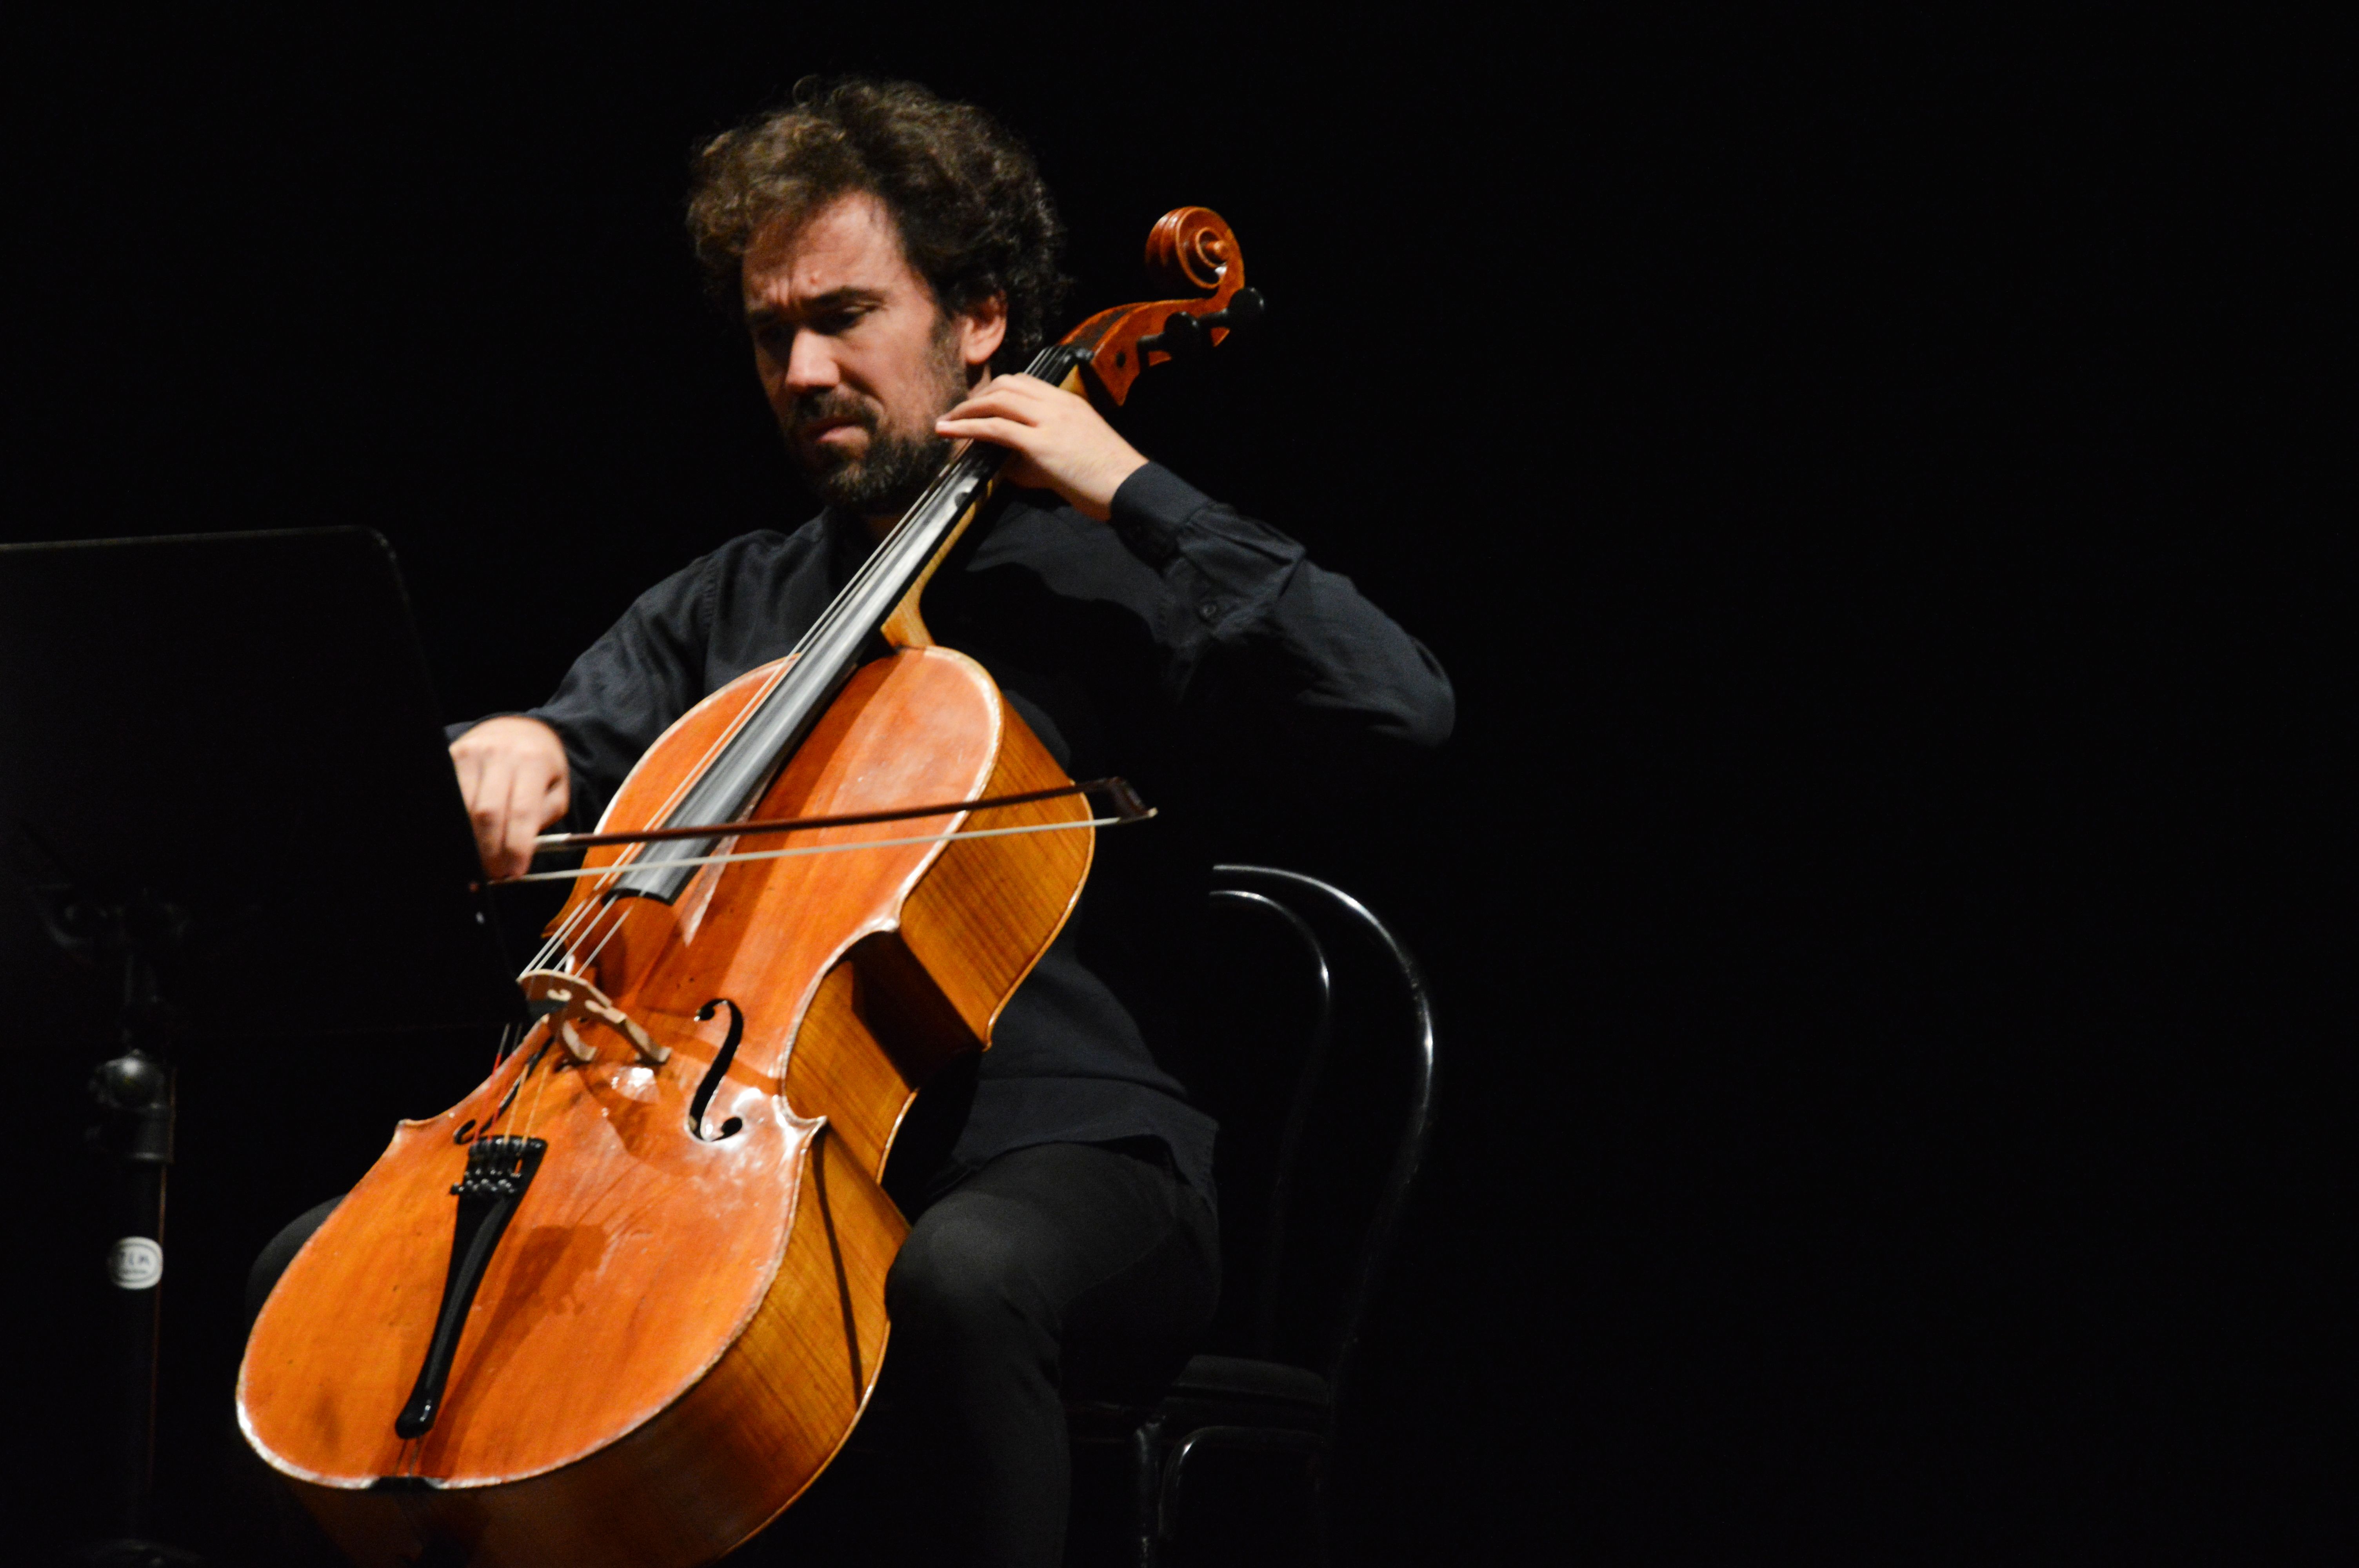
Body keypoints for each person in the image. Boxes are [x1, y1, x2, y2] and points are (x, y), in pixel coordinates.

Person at [246, 77, 1450, 1566]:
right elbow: (557, 741)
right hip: (724, 1148)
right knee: (324, 1277)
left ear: (983, 319)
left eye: (845, 316)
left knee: (962, 1275)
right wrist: (509, 749)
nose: (804, 368)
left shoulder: (1118, 584)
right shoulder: (731, 605)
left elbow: (1396, 707)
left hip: (1068, 1157)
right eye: (771, 333)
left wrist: (1133, 488)